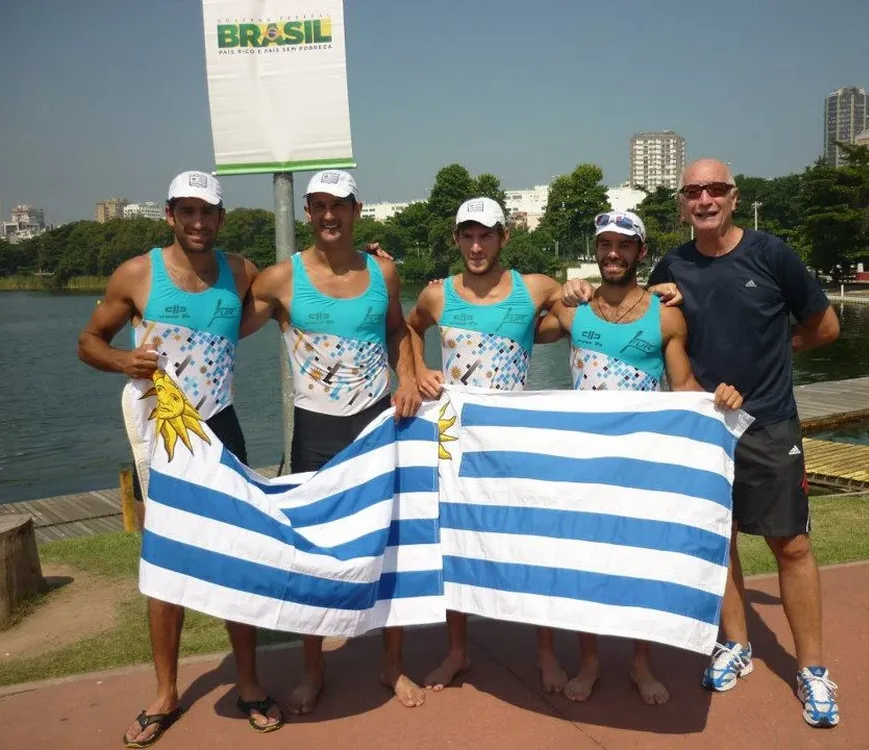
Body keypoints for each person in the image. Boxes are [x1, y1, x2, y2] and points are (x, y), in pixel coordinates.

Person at [563, 159, 842, 728]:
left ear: (733, 197)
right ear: (683, 203)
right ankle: (735, 644)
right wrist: (581, 291)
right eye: (693, 191)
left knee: (790, 545)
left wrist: (775, 358)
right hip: (702, 428)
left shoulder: (771, 254)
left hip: (767, 424)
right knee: (723, 541)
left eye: (715, 189)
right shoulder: (672, 266)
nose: (705, 199)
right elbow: (641, 316)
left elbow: (826, 327)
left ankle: (812, 668)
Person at [78, 171, 284, 747]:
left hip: (223, 427)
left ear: (221, 218)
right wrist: (123, 362)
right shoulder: (138, 274)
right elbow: (88, 342)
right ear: (170, 215)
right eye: (186, 212)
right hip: (163, 432)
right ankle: (165, 694)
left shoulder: (241, 272)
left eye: (208, 213)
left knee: (236, 557)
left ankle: (247, 684)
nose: (198, 223)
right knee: (164, 565)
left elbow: (299, 284)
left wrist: (370, 257)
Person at [537, 210, 742, 704]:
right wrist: (561, 289)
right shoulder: (572, 312)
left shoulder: (665, 316)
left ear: (640, 253)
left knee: (640, 567)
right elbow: (511, 322)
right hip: (583, 464)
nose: (613, 253)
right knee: (585, 566)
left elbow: (684, 387)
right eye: (605, 244)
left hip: (639, 467)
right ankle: (588, 663)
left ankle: (640, 665)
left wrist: (722, 400)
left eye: (623, 245)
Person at [240, 169, 423, 714]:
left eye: (337, 205)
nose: (327, 215)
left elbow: (397, 329)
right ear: (307, 212)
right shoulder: (279, 278)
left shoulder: (383, 271)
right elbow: (223, 318)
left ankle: (393, 665)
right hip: (314, 430)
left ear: (355, 210)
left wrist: (409, 374)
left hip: (374, 423)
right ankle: (314, 669)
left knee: (390, 544)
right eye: (317, 205)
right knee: (313, 550)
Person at [405, 196, 575, 695]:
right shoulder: (437, 296)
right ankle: (457, 651)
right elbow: (410, 330)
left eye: (486, 235)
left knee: (531, 542)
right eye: (467, 236)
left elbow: (593, 310)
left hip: (513, 439)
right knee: (454, 543)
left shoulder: (536, 288)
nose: (476, 246)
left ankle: (546, 652)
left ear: (504, 237)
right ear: (457, 239)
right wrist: (417, 370)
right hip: (456, 439)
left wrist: (651, 294)